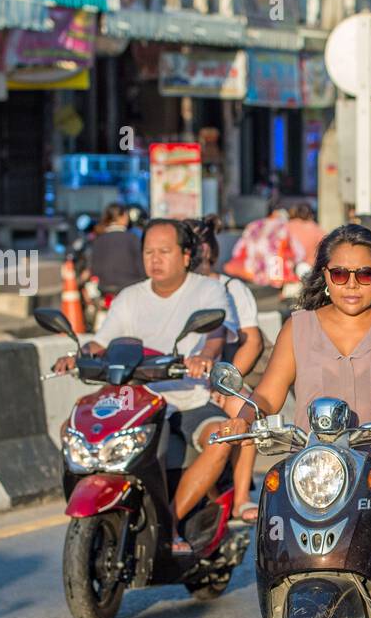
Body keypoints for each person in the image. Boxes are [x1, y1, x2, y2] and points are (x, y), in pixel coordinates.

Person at [177, 223, 371, 618]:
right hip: (315, 462)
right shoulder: (298, 327)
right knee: (275, 501)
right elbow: (270, 395)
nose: (353, 285)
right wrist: (244, 415)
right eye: (341, 275)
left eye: (364, 274)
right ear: (324, 276)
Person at [52, 219, 243, 549]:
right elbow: (101, 342)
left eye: (165, 252)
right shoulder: (129, 297)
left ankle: (171, 521)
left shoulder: (208, 291)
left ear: (186, 255)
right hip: (136, 401)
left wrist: (205, 357)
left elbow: (214, 336)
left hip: (189, 398)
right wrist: (75, 356)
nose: (155, 259)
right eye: (149, 252)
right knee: (75, 429)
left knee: (220, 440)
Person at [191, 213, 265, 522]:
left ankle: (240, 498)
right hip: (174, 381)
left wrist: (225, 382)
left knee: (247, 414)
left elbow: (252, 342)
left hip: (220, 377)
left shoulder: (230, 288)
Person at [86, 203, 145, 296]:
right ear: (123, 217)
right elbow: (141, 267)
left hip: (104, 288)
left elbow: (94, 268)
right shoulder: (133, 238)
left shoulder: (98, 240)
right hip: (130, 287)